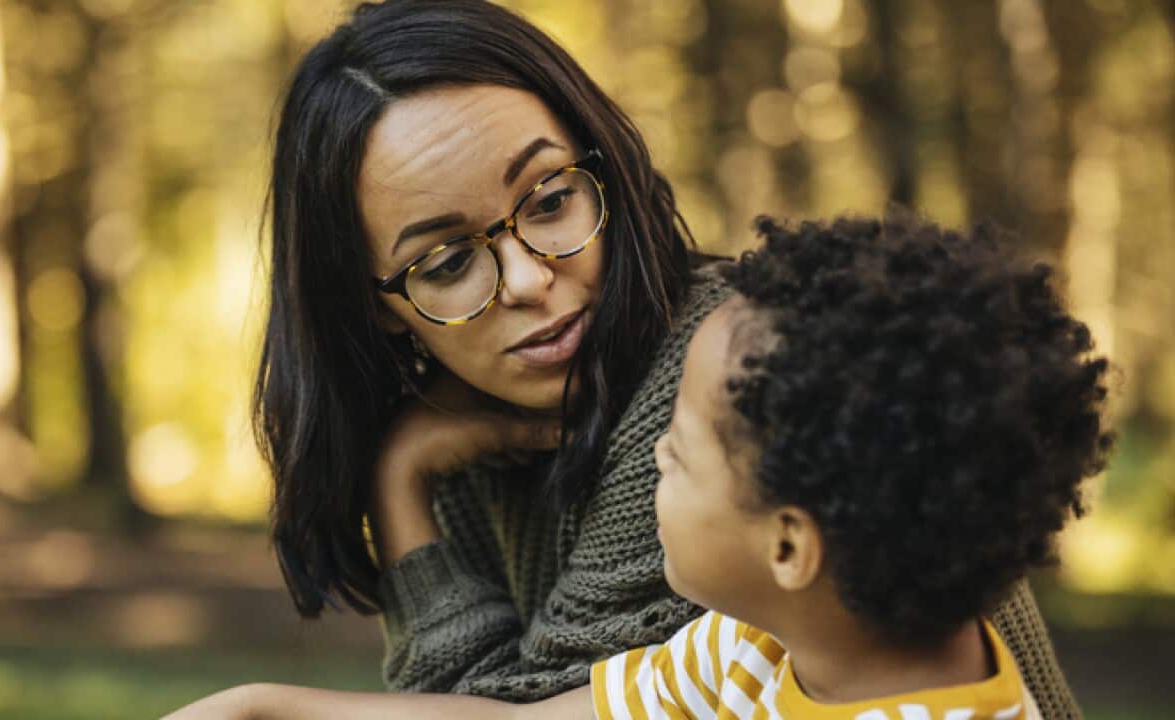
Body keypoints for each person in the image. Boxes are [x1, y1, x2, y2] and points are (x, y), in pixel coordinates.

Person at [253, 0, 1080, 713]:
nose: (528, 279)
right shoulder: (473, 422)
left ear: (602, 167)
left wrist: (399, 484)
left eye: (549, 200)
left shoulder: (728, 388)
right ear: (374, 306)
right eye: (445, 263)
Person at [165, 215, 1110, 719]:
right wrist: (264, 712)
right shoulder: (760, 650)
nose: (651, 446)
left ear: (789, 543)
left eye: (681, 449)